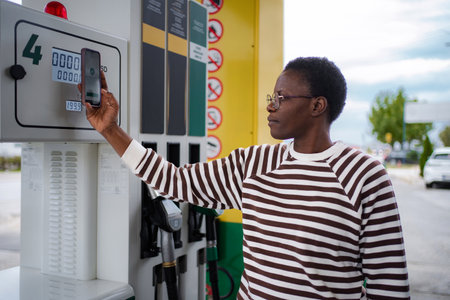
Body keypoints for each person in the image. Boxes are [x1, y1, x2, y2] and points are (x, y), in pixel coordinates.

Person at [84, 57, 410, 299]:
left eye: (281, 98)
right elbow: (173, 180)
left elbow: (389, 285)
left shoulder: (365, 176)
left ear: (317, 106)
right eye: (272, 98)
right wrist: (110, 129)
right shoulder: (254, 163)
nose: (271, 107)